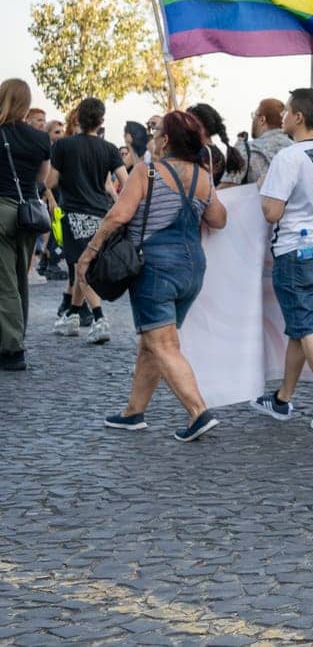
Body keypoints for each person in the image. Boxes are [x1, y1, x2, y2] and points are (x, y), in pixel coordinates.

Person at [83, 110, 227, 441]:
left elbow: (119, 214)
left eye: (156, 131)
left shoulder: (147, 173)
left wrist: (89, 254)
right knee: (153, 340)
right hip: (192, 267)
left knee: (162, 343)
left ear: (165, 140)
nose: (151, 137)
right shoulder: (203, 176)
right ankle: (133, 412)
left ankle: (197, 412)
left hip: (156, 267)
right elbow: (219, 219)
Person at [250, 88, 313, 432]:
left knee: (305, 325)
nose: (282, 117)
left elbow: (272, 212)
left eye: (288, 111)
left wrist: (265, 187)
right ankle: (282, 399)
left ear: (297, 117)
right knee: (301, 323)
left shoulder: (288, 158)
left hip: (295, 250)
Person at [50, 97, 125, 344]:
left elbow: (50, 182)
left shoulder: (63, 146)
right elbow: (125, 181)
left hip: (73, 214)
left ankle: (99, 318)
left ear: (77, 118)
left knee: (81, 267)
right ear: (101, 121)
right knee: (80, 266)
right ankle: (72, 315)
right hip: (100, 216)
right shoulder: (110, 149)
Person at [0, 80, 52, 371]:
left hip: (1, 210)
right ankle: (15, 337)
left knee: (5, 282)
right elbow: (42, 179)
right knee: (20, 279)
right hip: (29, 214)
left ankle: (11, 348)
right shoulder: (40, 139)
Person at [241, 98, 292, 185]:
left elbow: (227, 188)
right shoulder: (296, 149)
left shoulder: (246, 149)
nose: (253, 119)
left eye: (254, 115)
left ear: (262, 120)